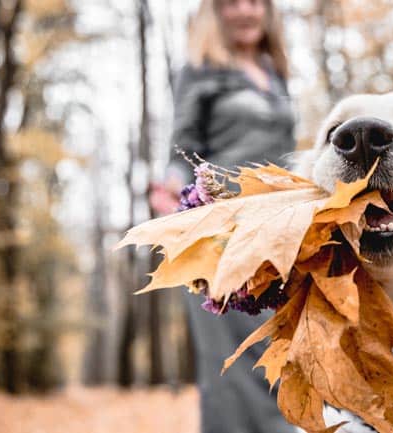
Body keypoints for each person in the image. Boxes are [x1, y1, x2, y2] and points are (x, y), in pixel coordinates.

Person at [149, 1, 296, 432]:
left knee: (276, 352)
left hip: (276, 232)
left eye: (256, 1)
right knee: (232, 364)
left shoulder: (275, 73)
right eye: (232, 2)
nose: (246, 11)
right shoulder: (200, 70)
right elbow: (182, 143)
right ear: (216, 12)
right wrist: (172, 185)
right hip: (219, 233)